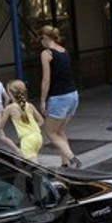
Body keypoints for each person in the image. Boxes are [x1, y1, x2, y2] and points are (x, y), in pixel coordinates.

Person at [38, 25, 81, 168]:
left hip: (59, 97)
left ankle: (72, 158)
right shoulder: (64, 51)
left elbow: (46, 79)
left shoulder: (47, 53)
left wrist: (43, 101)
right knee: (59, 130)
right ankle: (65, 163)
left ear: (45, 38)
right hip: (73, 95)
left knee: (50, 132)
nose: (40, 42)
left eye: (40, 39)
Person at [0, 80, 44, 162]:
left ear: (10, 93)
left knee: (34, 167)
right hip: (38, 136)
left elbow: (0, 126)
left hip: (27, 140)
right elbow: (41, 121)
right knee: (30, 162)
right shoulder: (29, 105)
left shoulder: (9, 108)